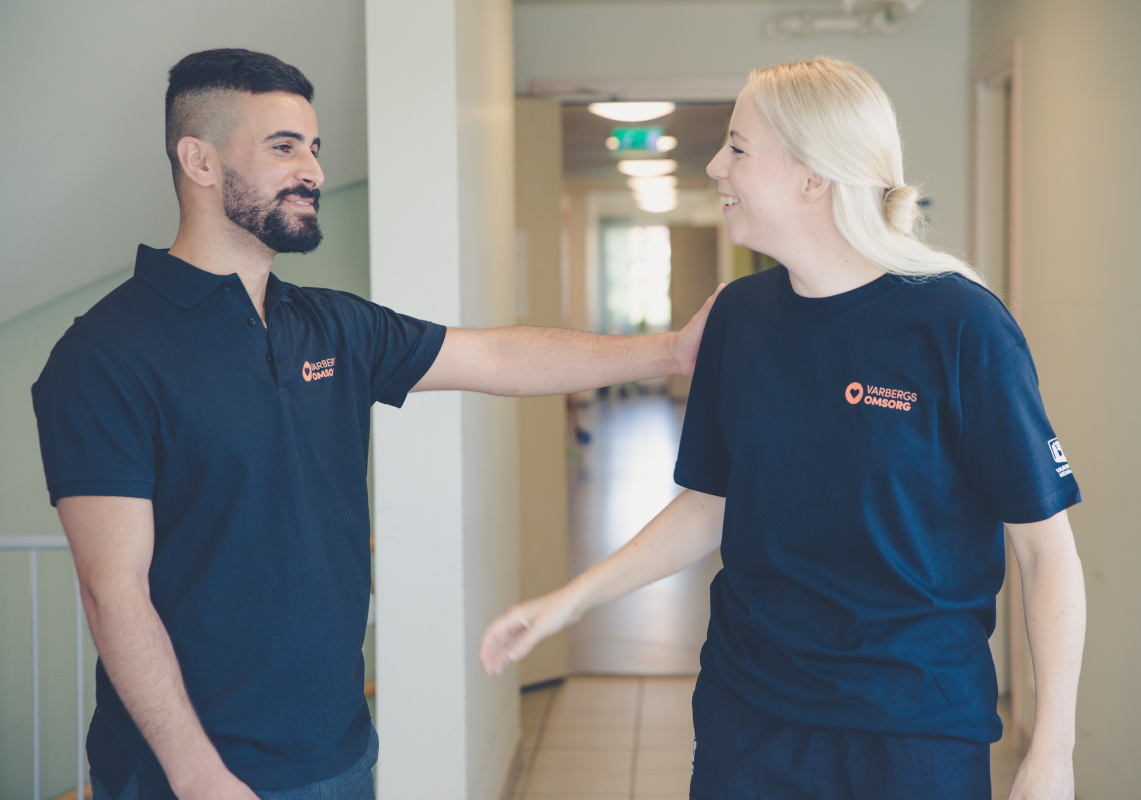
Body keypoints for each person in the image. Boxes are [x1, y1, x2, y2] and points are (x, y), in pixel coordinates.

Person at [31, 48, 718, 800]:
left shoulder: (332, 326)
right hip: (189, 773)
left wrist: (670, 351)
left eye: (315, 147)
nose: (314, 171)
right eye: (284, 147)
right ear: (199, 161)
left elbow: (500, 357)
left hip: (339, 752)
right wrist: (197, 776)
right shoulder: (106, 355)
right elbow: (113, 592)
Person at [480, 57, 1086, 800]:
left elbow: (1045, 549)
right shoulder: (740, 317)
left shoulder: (962, 326)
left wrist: (1052, 751)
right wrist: (570, 601)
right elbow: (712, 503)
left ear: (813, 177)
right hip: (749, 718)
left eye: (737, 147)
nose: (715, 165)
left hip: (911, 729)